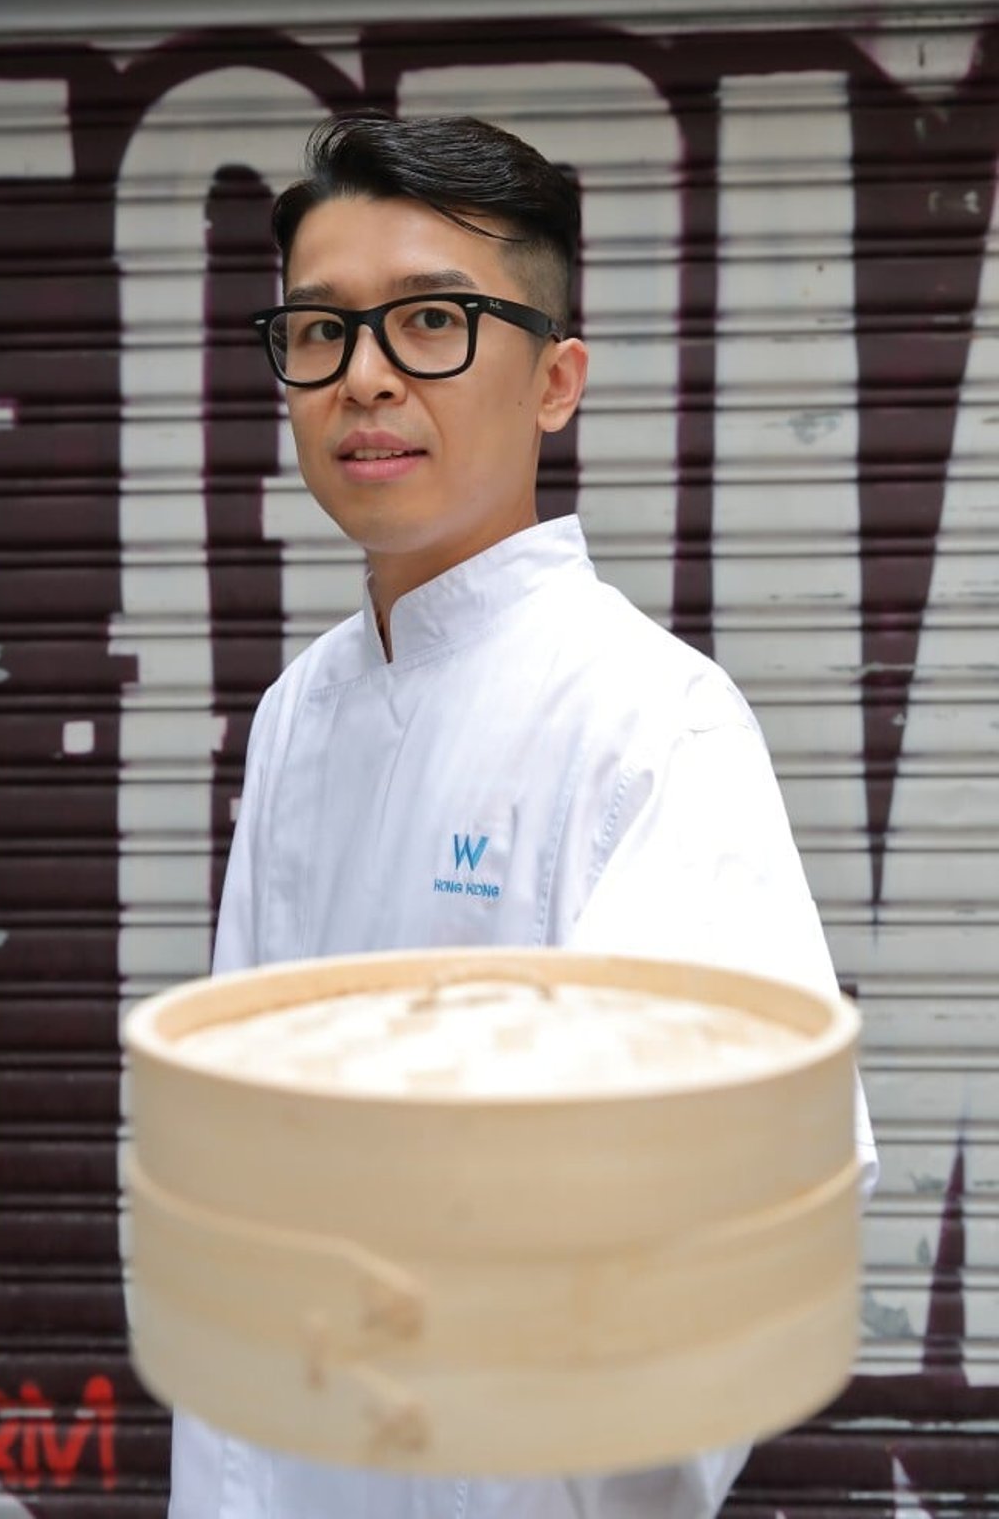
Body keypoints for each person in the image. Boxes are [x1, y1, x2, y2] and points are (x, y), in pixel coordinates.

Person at [168, 110, 878, 1519]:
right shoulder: (302, 714)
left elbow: (752, 1189)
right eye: (320, 332)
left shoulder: (643, 724)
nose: (365, 378)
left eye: (432, 320)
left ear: (557, 382)